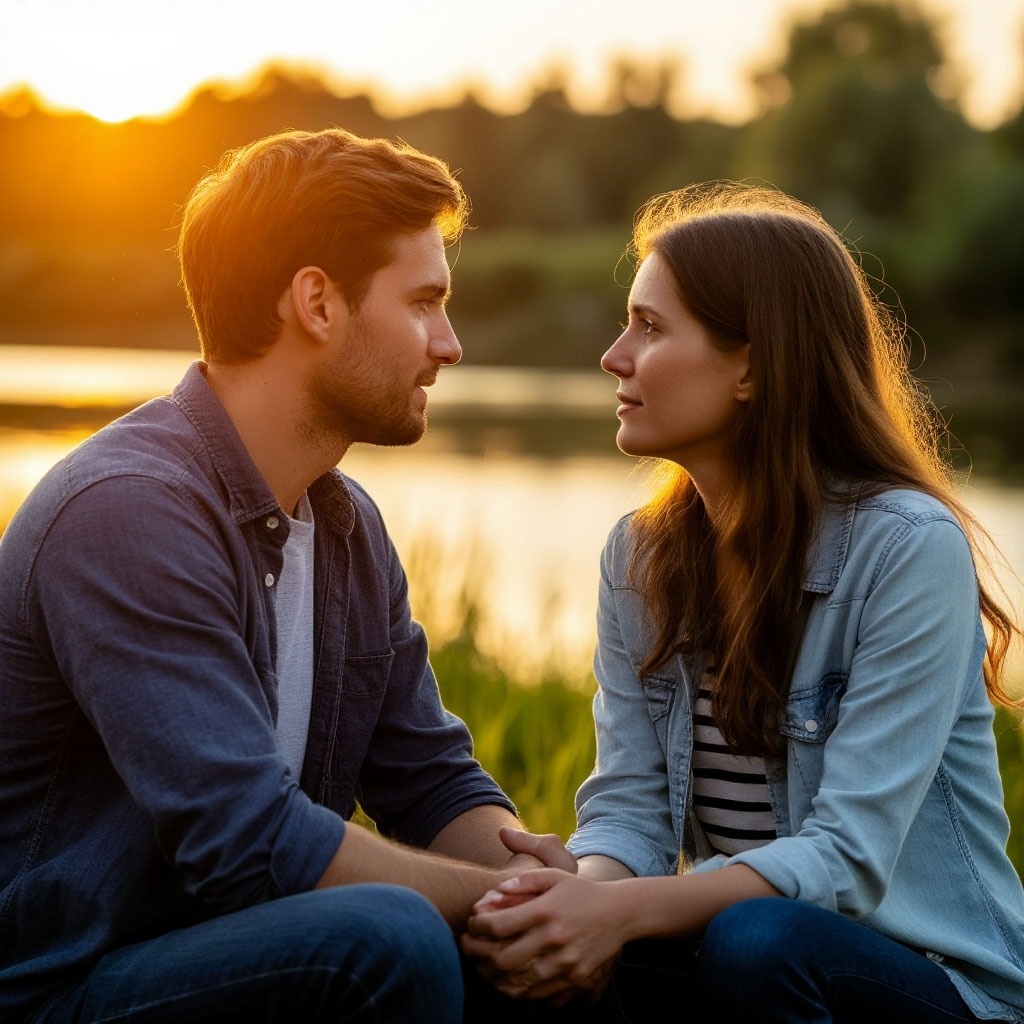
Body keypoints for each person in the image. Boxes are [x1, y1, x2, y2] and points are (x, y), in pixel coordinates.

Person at [0, 127, 571, 1023]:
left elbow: (427, 778)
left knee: (603, 955)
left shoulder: (345, 524)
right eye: (424, 303)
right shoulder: (128, 511)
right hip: (69, 983)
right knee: (388, 939)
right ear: (316, 303)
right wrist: (494, 904)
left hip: (240, 951)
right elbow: (246, 841)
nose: (450, 344)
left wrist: (548, 890)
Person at [462, 181, 1024, 1023]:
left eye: (649, 327)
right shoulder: (640, 557)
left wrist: (617, 914)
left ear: (753, 366)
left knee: (756, 943)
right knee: (514, 949)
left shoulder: (906, 548)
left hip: (936, 982)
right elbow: (630, 815)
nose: (614, 357)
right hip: (750, 954)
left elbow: (846, 860)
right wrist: (569, 901)